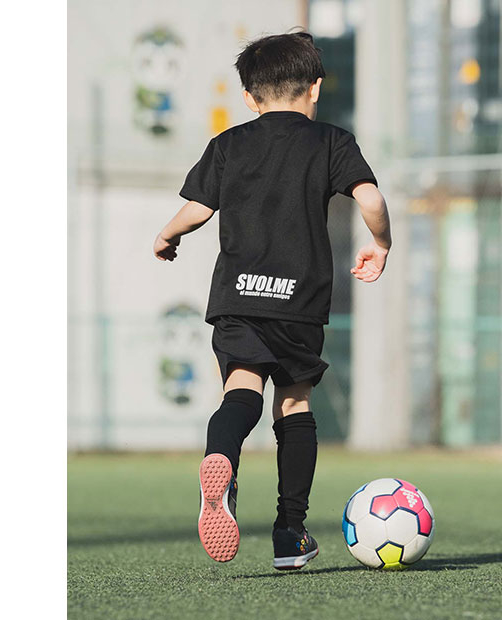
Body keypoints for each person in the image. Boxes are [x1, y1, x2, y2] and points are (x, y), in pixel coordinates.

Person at [153, 31, 391, 570]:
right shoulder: (331, 141)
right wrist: (380, 243)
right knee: (294, 403)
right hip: (297, 300)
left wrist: (167, 235)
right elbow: (371, 199)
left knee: (241, 391)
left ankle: (221, 459)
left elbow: (197, 209)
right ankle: (290, 534)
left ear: (249, 97)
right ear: (315, 88)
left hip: (237, 296)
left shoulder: (228, 144)